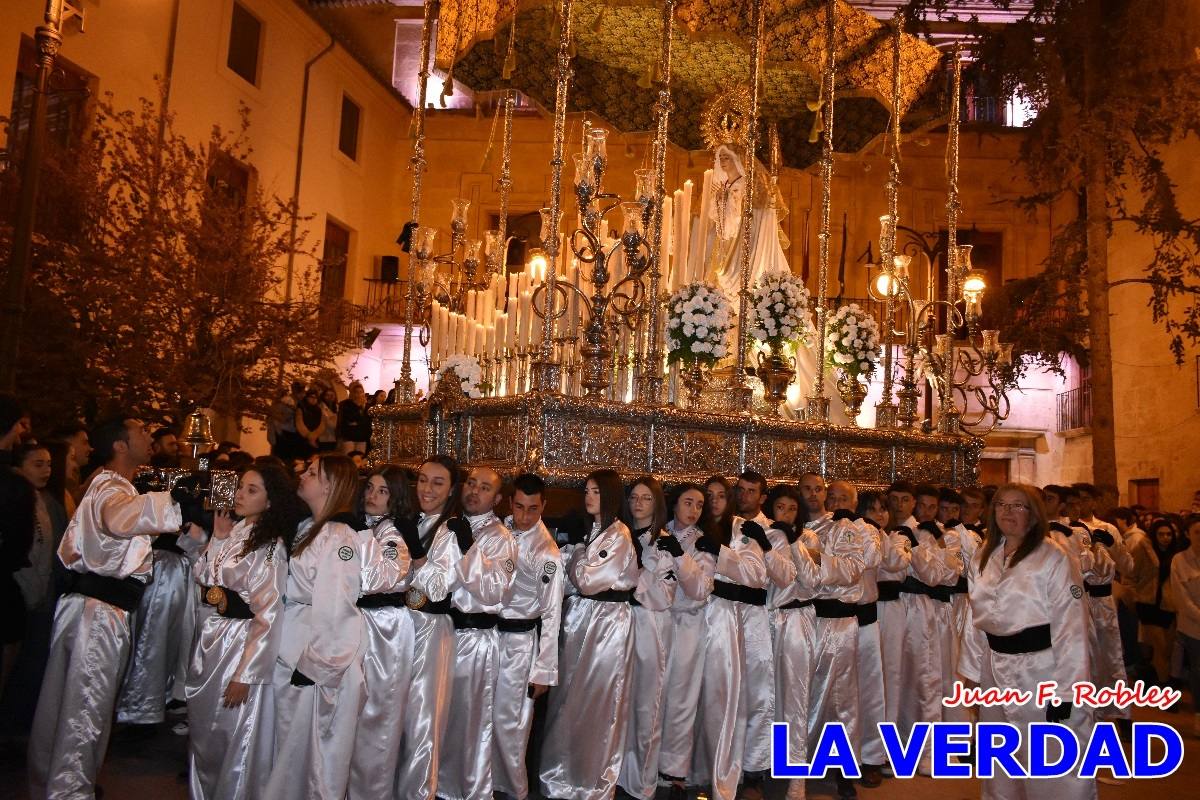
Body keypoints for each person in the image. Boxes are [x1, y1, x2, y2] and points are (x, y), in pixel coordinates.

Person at [27, 417, 197, 798]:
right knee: (86, 704)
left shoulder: (113, 486)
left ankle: (52, 780)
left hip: (91, 608)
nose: (149, 437)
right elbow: (119, 519)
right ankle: (69, 791)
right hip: (98, 612)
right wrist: (174, 501)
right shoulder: (110, 486)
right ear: (120, 445)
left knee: (66, 703)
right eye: (140, 432)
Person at [265, 454, 392, 799]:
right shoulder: (310, 527)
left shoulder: (338, 536)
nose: (302, 475)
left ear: (329, 485)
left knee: (318, 754)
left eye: (311, 472)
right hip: (296, 640)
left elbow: (336, 606)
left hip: (320, 655)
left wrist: (317, 664)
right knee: (292, 748)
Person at [958, 483, 1094, 800]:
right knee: (1002, 757)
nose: (1007, 512)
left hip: (1042, 669)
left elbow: (1071, 626)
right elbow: (975, 618)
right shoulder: (984, 554)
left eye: (1018, 506)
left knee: (1048, 755)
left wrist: (1068, 690)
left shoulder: (1054, 557)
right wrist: (973, 675)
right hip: (995, 667)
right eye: (1001, 505)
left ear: (1033, 514)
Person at [186, 464, 303, 800]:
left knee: (235, 733)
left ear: (269, 502)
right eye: (241, 487)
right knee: (207, 730)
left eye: (252, 490)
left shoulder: (270, 546)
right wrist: (218, 538)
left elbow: (268, 612)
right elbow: (205, 577)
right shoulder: (236, 531)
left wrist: (246, 674)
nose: (239, 495)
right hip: (213, 639)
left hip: (239, 643)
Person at [539, 469, 638, 800]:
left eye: (596, 491)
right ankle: (562, 778)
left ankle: (592, 782)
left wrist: (578, 550)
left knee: (598, 700)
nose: (588, 496)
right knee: (569, 699)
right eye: (587, 491)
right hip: (582, 618)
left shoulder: (618, 535)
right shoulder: (596, 531)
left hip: (606, 623)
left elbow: (587, 579)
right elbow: (570, 579)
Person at [438, 466, 519, 800]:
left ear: (497, 499)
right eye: (471, 483)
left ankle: (467, 790)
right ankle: (432, 783)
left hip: (475, 639)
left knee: (469, 721)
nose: (474, 491)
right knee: (436, 714)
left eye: (485, 488)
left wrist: (468, 548)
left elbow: (494, 590)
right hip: (440, 632)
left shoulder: (502, 538)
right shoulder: (447, 524)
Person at [691, 475, 769, 800]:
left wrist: (722, 554)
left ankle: (721, 776)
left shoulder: (741, 529)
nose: (714, 501)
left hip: (723, 618)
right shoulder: (690, 523)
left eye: (721, 495)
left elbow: (757, 574)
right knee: (687, 699)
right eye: (708, 495)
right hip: (688, 619)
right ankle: (688, 774)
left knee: (721, 699)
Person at [349, 465, 421, 800]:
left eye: (382, 491)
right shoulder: (366, 528)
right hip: (364, 623)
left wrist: (359, 542)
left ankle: (373, 791)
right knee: (357, 711)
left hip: (388, 628)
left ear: (395, 499)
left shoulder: (392, 534)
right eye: (370, 488)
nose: (372, 496)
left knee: (380, 712)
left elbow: (382, 577)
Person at [619, 476, 693, 800]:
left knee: (647, 709)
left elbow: (664, 595)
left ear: (656, 503)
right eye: (634, 497)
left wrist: (633, 585)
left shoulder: (662, 542)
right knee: (619, 705)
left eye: (646, 498)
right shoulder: (618, 535)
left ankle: (643, 784)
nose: (638, 503)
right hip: (621, 628)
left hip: (651, 630)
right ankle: (616, 775)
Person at [494, 474, 565, 800]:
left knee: (512, 725)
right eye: (519, 507)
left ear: (544, 506)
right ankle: (485, 785)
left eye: (532, 509)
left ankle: (516, 792)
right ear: (510, 503)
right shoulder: (501, 530)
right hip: (490, 637)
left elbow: (552, 614)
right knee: (485, 719)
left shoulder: (546, 552)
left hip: (521, 644)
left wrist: (543, 670)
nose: (524, 516)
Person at [398, 455, 464, 800]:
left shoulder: (450, 531)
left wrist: (417, 553)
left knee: (422, 717)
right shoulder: (413, 520)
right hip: (400, 629)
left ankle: (420, 792)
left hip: (430, 629)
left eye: (438, 483)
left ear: (452, 489)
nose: (427, 488)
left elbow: (439, 588)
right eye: (423, 480)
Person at [803, 478, 866, 800]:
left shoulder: (843, 527)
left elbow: (854, 568)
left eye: (818, 489)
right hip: (801, 619)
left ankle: (843, 769)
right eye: (806, 489)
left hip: (838, 621)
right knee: (801, 692)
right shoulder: (790, 524)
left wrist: (815, 559)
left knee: (841, 698)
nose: (813, 495)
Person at [657, 483, 716, 800]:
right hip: (657, 621)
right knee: (652, 694)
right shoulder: (657, 530)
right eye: (687, 502)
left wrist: (680, 558)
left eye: (699, 504)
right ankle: (644, 764)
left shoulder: (703, 542)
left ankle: (674, 771)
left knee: (681, 698)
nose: (693, 509)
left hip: (688, 625)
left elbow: (700, 589)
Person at [732, 470, 776, 798]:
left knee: (759, 694)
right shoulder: (723, 523)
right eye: (741, 490)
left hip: (760, 617)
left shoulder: (774, 529)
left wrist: (766, 545)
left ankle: (754, 770)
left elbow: (783, 575)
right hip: (723, 616)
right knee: (726, 690)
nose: (745, 496)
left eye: (752, 492)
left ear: (762, 497)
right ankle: (721, 762)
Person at [1135, 518, 1179, 682]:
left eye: (1168, 534)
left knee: (1166, 649)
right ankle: (1165, 685)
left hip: (1168, 605)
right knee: (1160, 649)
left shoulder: (1176, 553)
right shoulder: (1144, 549)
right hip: (1148, 604)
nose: (1165, 537)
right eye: (1161, 534)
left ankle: (1151, 677)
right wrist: (1134, 596)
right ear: (1154, 535)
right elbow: (1132, 573)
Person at [1168, 515, 1200, 737]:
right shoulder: (1179, 560)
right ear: (1188, 534)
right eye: (1197, 532)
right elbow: (1182, 598)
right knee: (1198, 673)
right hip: (1193, 628)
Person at [338, 382, 372, 454]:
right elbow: (350, 419)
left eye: (361, 392)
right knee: (349, 458)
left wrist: (363, 407)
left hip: (362, 436)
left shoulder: (367, 406)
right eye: (356, 392)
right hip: (348, 436)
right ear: (352, 393)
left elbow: (367, 421)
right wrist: (358, 406)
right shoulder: (345, 404)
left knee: (359, 458)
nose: (359, 394)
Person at [294, 388, 325, 457]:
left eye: (316, 398)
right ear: (307, 397)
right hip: (302, 438)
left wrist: (315, 435)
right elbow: (299, 423)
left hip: (315, 437)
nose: (314, 399)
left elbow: (322, 424)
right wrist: (309, 436)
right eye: (311, 397)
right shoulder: (301, 407)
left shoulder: (319, 409)